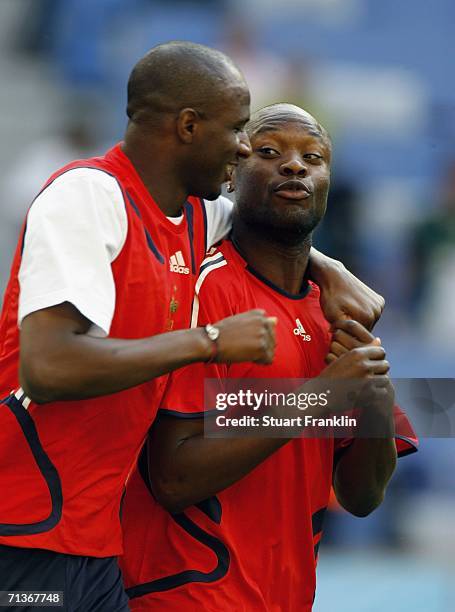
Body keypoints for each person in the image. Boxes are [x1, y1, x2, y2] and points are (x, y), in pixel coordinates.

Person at [0, 40, 383, 609]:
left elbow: (272, 218)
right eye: (239, 134)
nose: (241, 148)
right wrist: (212, 346)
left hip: (96, 542)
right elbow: (48, 366)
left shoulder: (194, 218)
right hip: (24, 528)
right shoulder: (87, 195)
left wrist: (332, 268)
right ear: (187, 126)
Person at [119, 103, 418, 611]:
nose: (295, 165)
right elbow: (172, 478)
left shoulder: (337, 314)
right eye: (269, 151)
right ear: (232, 173)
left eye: (313, 157)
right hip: (184, 597)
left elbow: (362, 497)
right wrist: (320, 398)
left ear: (327, 182)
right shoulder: (199, 289)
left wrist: (370, 399)